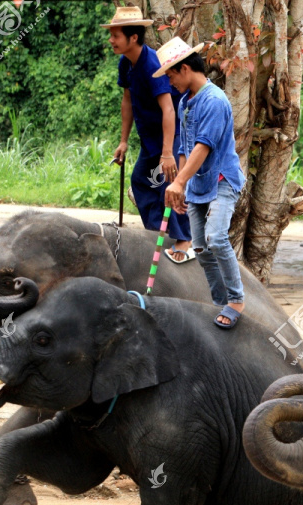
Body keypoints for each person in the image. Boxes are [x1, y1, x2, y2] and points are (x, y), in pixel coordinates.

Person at [156, 37, 247, 329]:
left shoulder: (215, 100)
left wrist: (179, 182)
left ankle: (236, 300)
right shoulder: (185, 102)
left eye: (170, 74)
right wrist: (182, 184)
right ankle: (220, 300)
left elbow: (203, 147)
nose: (169, 81)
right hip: (197, 184)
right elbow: (184, 148)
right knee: (201, 247)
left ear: (184, 69)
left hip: (221, 179)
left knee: (217, 238)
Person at [104, 6, 194, 263]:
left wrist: (168, 153)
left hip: (172, 134)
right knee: (142, 181)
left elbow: (168, 109)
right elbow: (127, 100)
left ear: (133, 38)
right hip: (149, 137)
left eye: (116, 35)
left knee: (170, 183)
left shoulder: (152, 63)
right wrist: (123, 141)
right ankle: (158, 234)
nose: (111, 40)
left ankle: (183, 238)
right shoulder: (126, 64)